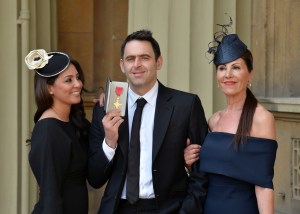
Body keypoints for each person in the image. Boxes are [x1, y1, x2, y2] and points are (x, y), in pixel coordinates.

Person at [88, 29, 208, 214]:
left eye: (144, 57)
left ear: (158, 62)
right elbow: (95, 178)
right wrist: (109, 143)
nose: (137, 64)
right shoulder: (106, 108)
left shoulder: (186, 105)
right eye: (130, 59)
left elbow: (203, 170)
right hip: (118, 209)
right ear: (122, 65)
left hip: (168, 209)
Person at [184, 19, 278, 214]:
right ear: (217, 78)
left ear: (250, 75)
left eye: (236, 67)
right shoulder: (213, 120)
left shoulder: (262, 119)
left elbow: (263, 185)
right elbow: (207, 173)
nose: (228, 74)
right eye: (222, 68)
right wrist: (189, 161)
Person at [25, 49, 91, 214]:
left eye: (77, 77)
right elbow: (50, 197)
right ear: (50, 88)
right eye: (69, 80)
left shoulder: (74, 122)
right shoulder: (49, 130)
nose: (78, 84)